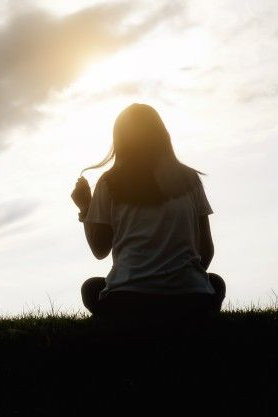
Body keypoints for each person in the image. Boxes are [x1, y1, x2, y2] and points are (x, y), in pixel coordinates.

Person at [71, 103, 226, 320]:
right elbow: (206, 250)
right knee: (216, 283)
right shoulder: (190, 180)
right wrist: (183, 281)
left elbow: (99, 250)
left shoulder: (109, 183)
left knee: (91, 288)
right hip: (190, 299)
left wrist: (85, 207)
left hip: (128, 301)